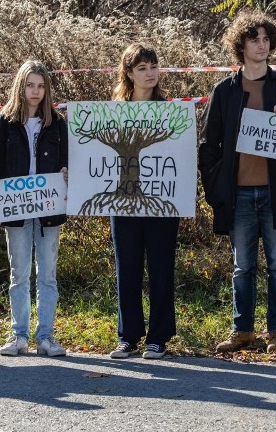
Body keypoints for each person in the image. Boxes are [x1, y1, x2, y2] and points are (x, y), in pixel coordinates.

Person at [199, 10, 276, 354]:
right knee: (242, 267)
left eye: (266, 39)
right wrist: (215, 190)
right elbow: (208, 145)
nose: (262, 45)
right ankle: (242, 331)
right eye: (254, 39)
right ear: (240, 45)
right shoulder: (224, 91)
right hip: (238, 194)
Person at [0, 60, 69, 357]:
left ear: (47, 89)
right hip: (13, 209)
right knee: (18, 274)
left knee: (48, 275)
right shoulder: (4, 124)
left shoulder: (57, 124)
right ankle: (18, 335)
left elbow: (71, 162)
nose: (36, 91)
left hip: (49, 208)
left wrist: (69, 174)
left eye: (41, 86)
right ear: (20, 87)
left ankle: (46, 337)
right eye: (30, 85)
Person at [107, 44, 180, 360]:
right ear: (128, 73)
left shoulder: (171, 112)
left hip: (161, 201)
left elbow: (180, 157)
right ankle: (128, 336)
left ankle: (159, 338)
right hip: (123, 202)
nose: (150, 73)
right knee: (128, 267)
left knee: (162, 267)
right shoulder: (112, 113)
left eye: (153, 66)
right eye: (142, 68)